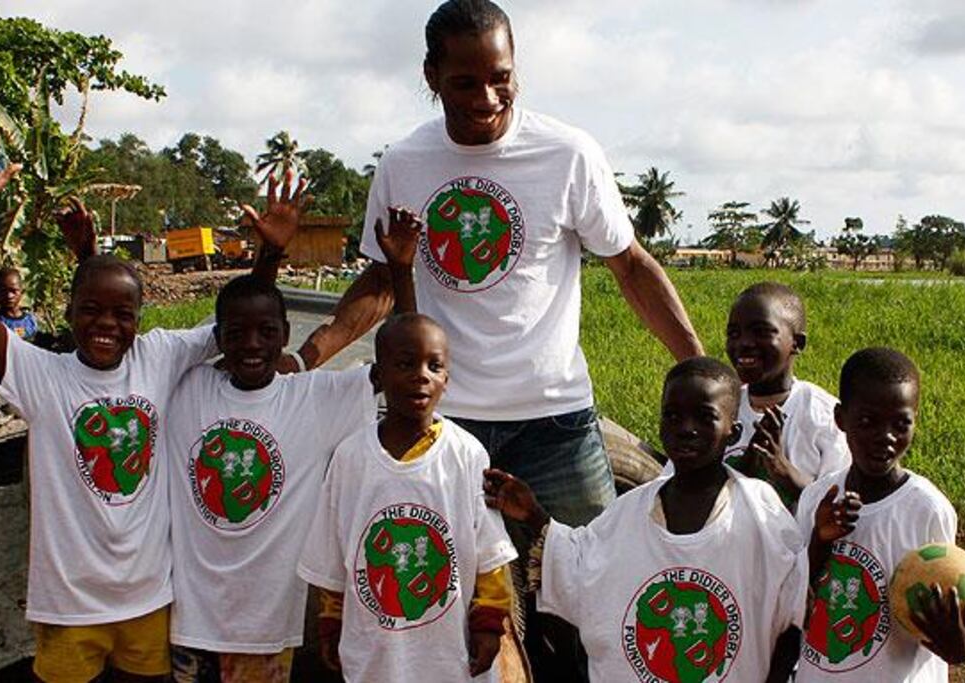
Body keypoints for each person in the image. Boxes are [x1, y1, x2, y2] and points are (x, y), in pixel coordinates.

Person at [284, 1, 702, 672]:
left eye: (501, 78)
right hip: (445, 429)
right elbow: (382, 280)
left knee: (596, 590)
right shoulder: (405, 162)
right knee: (456, 611)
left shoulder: (567, 154)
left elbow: (630, 265)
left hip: (555, 423)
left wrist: (701, 366)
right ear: (431, 76)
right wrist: (305, 357)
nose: (486, 98)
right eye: (464, 82)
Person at [0, 121, 289, 683]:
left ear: (139, 318)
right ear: (68, 313)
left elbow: (243, 323)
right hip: (69, 606)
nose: (106, 324)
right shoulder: (42, 375)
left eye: (122, 314)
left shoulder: (159, 357)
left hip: (148, 598)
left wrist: (269, 255)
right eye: (91, 311)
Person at [165, 191, 407, 683]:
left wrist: (401, 273)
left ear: (284, 335)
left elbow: (406, 357)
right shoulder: (188, 389)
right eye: (236, 335)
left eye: (266, 333)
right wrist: (270, 254)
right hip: (184, 621)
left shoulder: (313, 399)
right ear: (217, 338)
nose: (252, 344)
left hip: (264, 631)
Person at [484, 357, 806, 682]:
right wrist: (532, 514)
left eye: (704, 416)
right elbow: (582, 566)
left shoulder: (760, 513)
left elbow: (794, 605)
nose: (686, 429)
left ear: (732, 431)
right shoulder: (630, 512)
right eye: (673, 416)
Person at [297, 313, 517, 682]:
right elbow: (332, 556)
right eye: (405, 364)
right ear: (378, 376)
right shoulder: (351, 458)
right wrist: (331, 622)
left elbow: (491, 554)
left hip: (449, 655)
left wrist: (489, 623)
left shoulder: (466, 455)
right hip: (373, 653)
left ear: (447, 379)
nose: (421, 376)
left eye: (435, 366)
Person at [797, 347, 965, 681]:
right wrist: (819, 541)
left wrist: (957, 645)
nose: (885, 437)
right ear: (840, 418)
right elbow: (795, 604)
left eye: (901, 424)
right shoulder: (816, 499)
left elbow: (945, 615)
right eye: (868, 422)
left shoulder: (927, 509)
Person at [703, 282, 849, 507]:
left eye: (761, 332)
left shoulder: (824, 416)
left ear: (797, 343)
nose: (744, 343)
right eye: (734, 333)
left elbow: (838, 504)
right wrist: (745, 466)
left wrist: (783, 470)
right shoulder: (719, 407)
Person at [0, 266, 38, 340]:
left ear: (22, 291)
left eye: (14, 291)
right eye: (3, 291)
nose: (9, 296)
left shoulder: (31, 320)